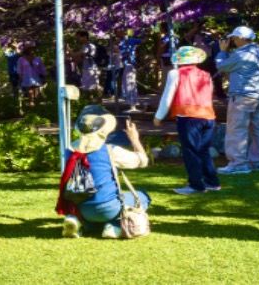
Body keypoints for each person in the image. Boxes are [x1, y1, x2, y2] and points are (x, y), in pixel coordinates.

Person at [56, 105, 150, 239]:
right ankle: (114, 225)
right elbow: (143, 161)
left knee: (92, 212)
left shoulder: (70, 151)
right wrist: (134, 138)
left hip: (81, 208)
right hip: (108, 207)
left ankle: (80, 222)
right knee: (143, 197)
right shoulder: (110, 150)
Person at [152, 46, 220, 195]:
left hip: (188, 116)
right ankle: (212, 181)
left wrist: (159, 116)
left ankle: (196, 184)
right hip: (208, 115)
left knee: (191, 151)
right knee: (203, 150)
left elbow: (167, 96)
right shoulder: (205, 74)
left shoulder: (175, 73)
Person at [216, 26, 259, 174]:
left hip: (242, 95)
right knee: (258, 129)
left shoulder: (241, 54)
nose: (233, 41)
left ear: (241, 38)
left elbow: (221, 66)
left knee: (237, 129)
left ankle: (238, 164)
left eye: (234, 38)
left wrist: (222, 51)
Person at [114, 29, 141, 111]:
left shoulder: (127, 40)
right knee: (127, 84)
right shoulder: (124, 41)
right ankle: (132, 104)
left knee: (130, 84)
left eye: (117, 32)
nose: (116, 34)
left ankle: (133, 106)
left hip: (129, 64)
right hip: (126, 64)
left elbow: (119, 51)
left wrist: (135, 49)